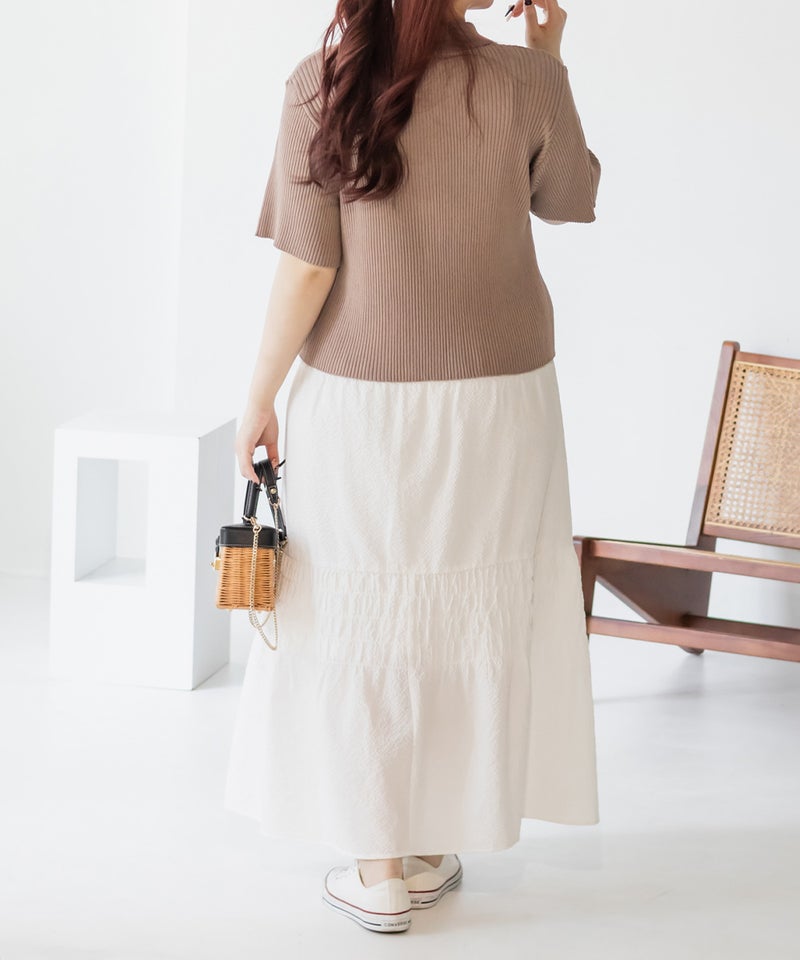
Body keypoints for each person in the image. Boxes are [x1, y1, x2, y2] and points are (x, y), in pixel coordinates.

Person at [225, 0, 601, 934]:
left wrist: (259, 394)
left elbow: (307, 267)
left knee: (360, 611)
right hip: (503, 403)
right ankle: (431, 841)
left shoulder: (324, 83)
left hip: (362, 404)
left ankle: (381, 866)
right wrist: (549, 58)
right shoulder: (524, 80)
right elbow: (570, 200)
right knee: (470, 606)